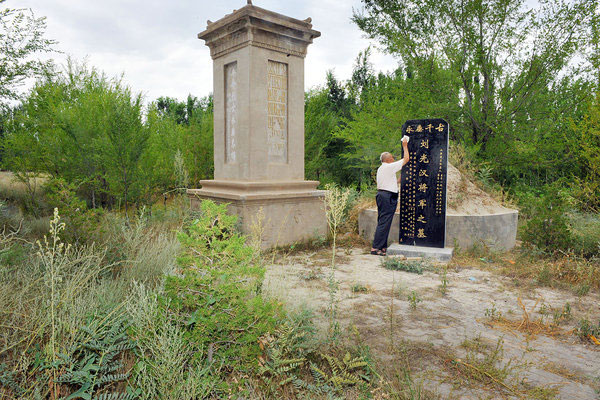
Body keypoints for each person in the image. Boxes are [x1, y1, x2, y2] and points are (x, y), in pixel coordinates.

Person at [371, 136, 410, 256]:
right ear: (388, 159)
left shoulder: (382, 169)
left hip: (383, 195)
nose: (393, 159)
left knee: (384, 221)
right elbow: (406, 159)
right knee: (384, 222)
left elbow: (388, 182)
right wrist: (405, 145)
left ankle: (382, 246)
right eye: (392, 158)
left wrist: (399, 180)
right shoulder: (388, 166)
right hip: (387, 197)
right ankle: (375, 248)